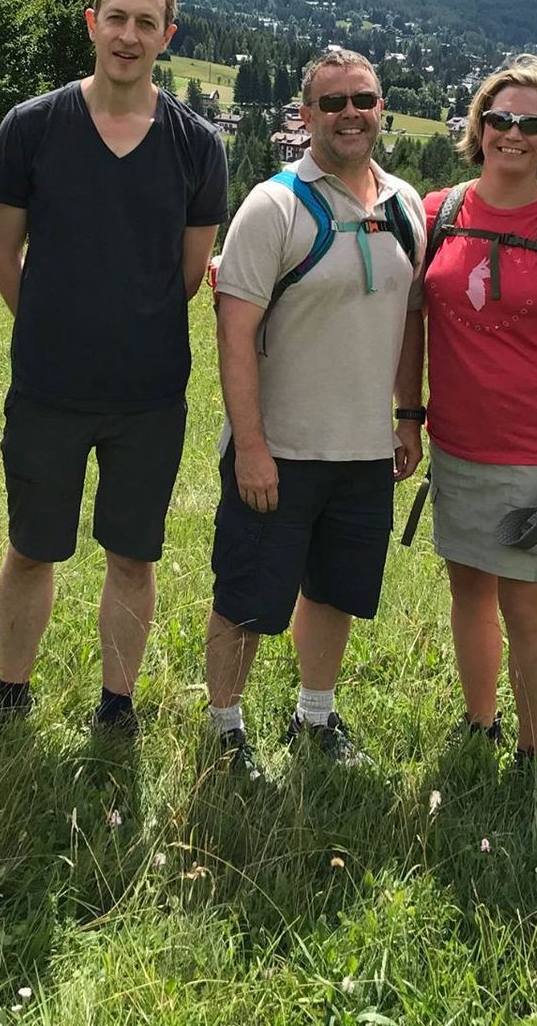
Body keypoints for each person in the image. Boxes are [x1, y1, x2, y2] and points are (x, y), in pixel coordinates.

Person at [0, 0, 228, 738]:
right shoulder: (33, 126)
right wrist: (45, 320)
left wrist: (125, 322)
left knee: (131, 556)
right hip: (47, 387)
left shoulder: (198, 146)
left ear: (167, 37)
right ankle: (11, 690)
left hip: (148, 395)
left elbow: (188, 272)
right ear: (92, 23)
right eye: (116, 17)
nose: (128, 34)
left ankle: (117, 706)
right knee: (30, 547)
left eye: (146, 22)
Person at [204, 46, 425, 774]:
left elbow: (409, 318)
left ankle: (315, 716)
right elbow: (233, 335)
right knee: (247, 597)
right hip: (283, 449)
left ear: (381, 108)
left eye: (363, 99)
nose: (351, 115)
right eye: (332, 104)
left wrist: (408, 416)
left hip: (363, 450)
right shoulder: (273, 206)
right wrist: (251, 446)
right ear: (306, 117)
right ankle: (224, 729)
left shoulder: (403, 205)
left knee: (336, 591)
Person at [416, 56, 537, 771]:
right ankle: (480, 727)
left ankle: (533, 752)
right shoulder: (438, 213)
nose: (514, 133)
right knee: (468, 589)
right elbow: (411, 324)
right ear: (478, 124)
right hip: (457, 444)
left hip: (536, 455)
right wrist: (409, 417)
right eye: (500, 118)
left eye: (534, 123)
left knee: (527, 609)